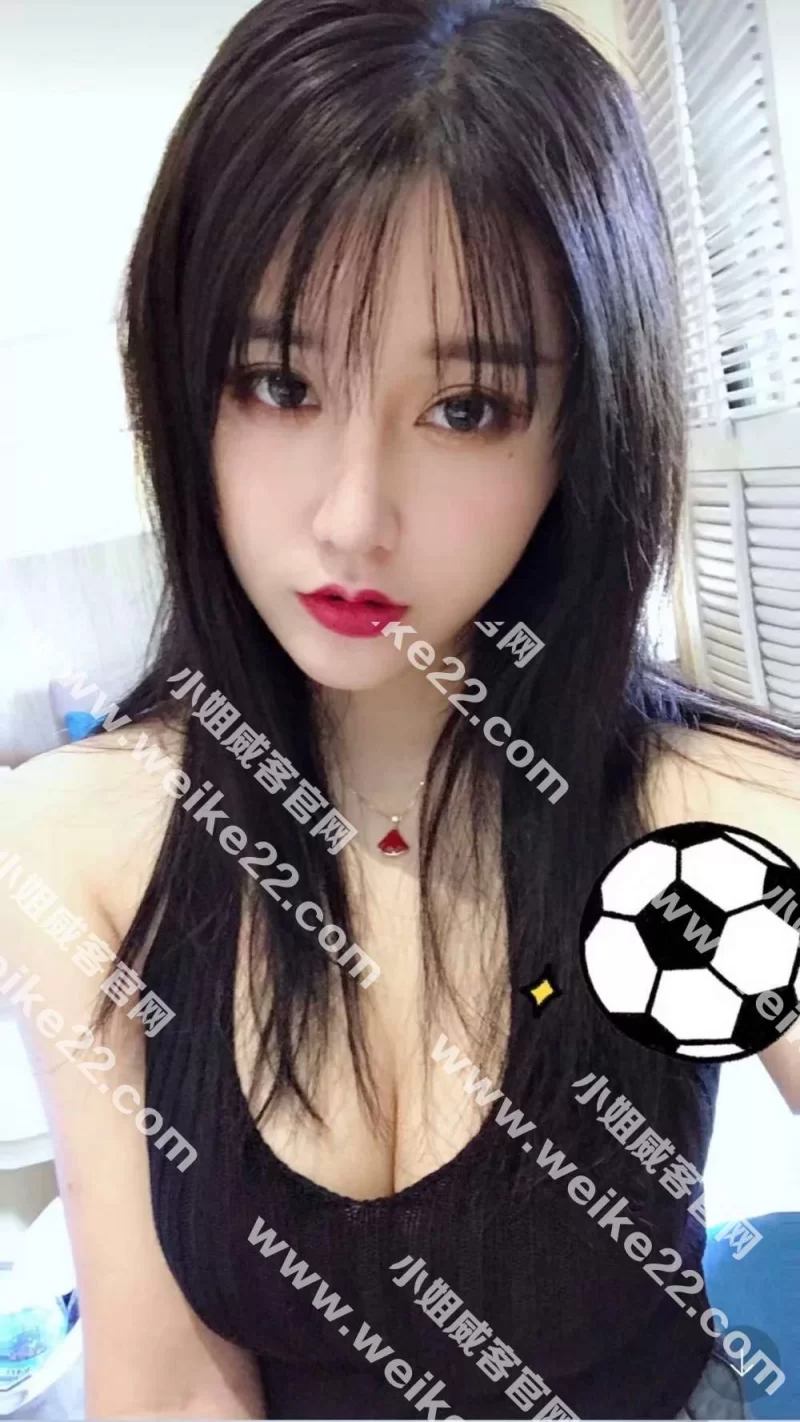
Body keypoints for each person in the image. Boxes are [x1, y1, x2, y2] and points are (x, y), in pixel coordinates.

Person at [2, 1, 798, 1417]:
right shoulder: (79, 846)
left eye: (468, 407)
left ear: (584, 427)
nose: (351, 516)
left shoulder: (703, 824)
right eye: (279, 382)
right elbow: (169, 1385)